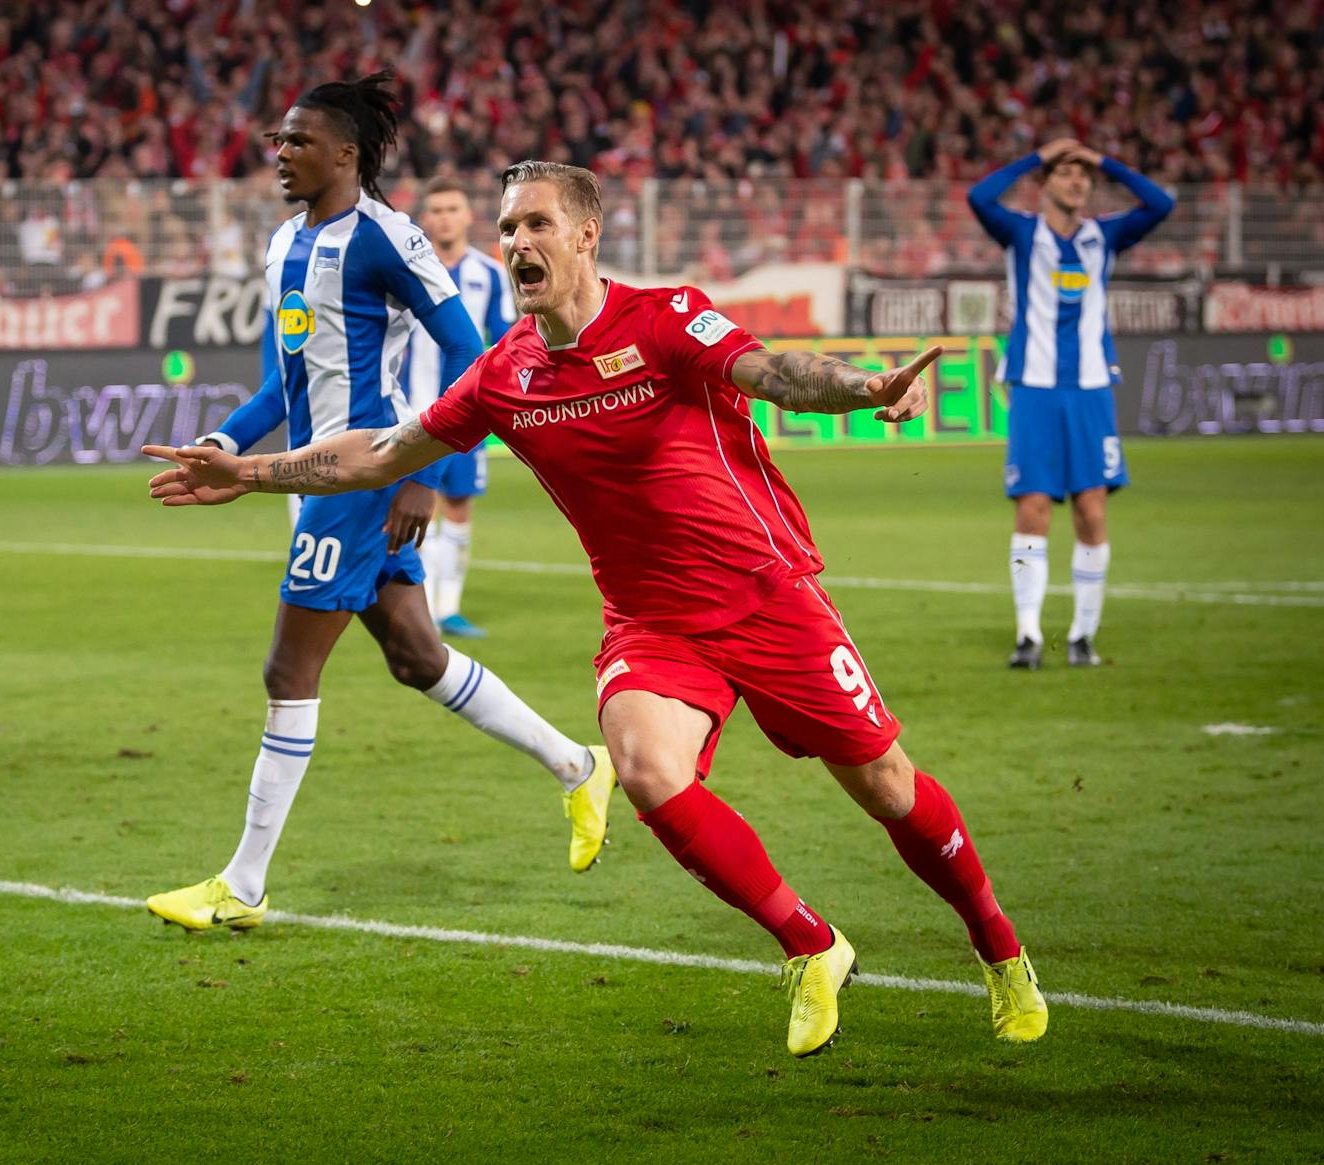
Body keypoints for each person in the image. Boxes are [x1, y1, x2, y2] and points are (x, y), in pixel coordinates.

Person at [145, 161, 1048, 1057]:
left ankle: (999, 948)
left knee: (887, 786)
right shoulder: (506, 373)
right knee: (648, 768)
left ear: (586, 234)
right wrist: (252, 471)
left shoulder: (666, 320)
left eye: (536, 224)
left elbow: (771, 371)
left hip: (766, 596)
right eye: (508, 229)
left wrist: (863, 386)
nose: (516, 243)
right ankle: (811, 944)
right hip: (651, 621)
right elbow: (382, 452)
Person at [143, 77, 617, 934]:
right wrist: (222, 443)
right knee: (416, 655)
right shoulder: (284, 243)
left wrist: (422, 472)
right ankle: (578, 763)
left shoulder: (387, 239)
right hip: (308, 477)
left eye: (297, 141)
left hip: (360, 479)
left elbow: (474, 357)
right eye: (279, 140)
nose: (279, 153)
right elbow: (275, 386)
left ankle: (241, 886)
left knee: (289, 672)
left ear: (346, 154)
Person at [967, 138, 1174, 669]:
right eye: (1066, 172)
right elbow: (979, 197)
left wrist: (1106, 160)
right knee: (1033, 508)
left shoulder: (1102, 236)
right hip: (1034, 389)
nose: (1078, 181)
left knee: (1091, 509)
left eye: (1085, 175)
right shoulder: (1020, 231)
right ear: (1046, 184)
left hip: (1090, 390)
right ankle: (1029, 635)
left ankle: (1083, 636)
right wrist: (1036, 156)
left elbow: (1161, 205)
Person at [399, 176, 514, 640]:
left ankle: (449, 607)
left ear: (468, 216)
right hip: (409, 412)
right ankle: (420, 605)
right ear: (425, 219)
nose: (445, 217)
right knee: (411, 507)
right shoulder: (408, 274)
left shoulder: (488, 275)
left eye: (453, 209)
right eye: (437, 210)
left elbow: (506, 342)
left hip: (467, 415)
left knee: (459, 506)